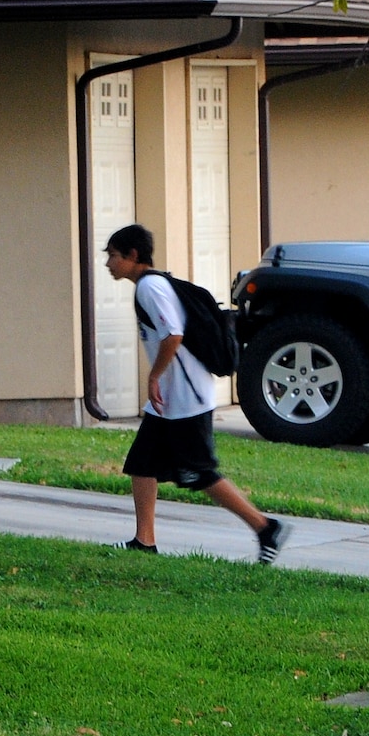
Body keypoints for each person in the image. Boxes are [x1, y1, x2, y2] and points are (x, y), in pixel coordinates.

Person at [104, 224, 290, 563]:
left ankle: (265, 527)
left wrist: (154, 376)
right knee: (142, 464)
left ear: (132, 256)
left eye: (113, 256)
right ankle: (144, 541)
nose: (108, 264)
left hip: (186, 399)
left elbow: (173, 335)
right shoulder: (152, 285)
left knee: (199, 473)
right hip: (170, 402)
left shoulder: (150, 288)